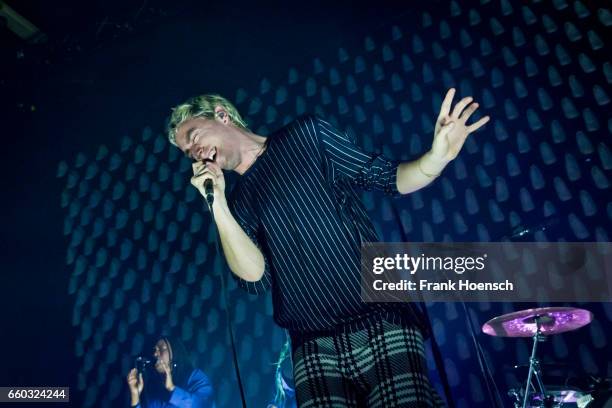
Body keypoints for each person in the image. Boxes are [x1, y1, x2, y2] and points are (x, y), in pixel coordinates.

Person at [166, 89, 489, 407]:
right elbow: (255, 279)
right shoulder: (236, 204)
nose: (193, 151)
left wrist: (437, 158)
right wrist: (218, 204)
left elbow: (387, 177)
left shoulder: (306, 135)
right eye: (186, 152)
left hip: (380, 318)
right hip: (311, 344)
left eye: (193, 136)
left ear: (222, 115)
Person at [126, 336, 215, 407]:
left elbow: (204, 405)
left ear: (175, 352)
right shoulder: (155, 388)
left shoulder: (195, 377)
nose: (155, 354)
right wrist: (135, 396)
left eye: (162, 348)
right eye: (155, 350)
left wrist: (172, 389)